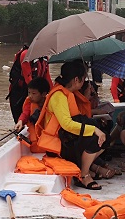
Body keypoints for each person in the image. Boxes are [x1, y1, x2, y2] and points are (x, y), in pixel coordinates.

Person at [34, 60, 107, 190]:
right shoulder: (58, 96)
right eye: (83, 79)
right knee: (95, 139)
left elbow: (80, 115)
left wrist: (89, 95)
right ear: (76, 79)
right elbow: (67, 124)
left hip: (66, 138)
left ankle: (87, 167)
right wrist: (94, 129)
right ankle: (83, 175)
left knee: (105, 134)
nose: (84, 82)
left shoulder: (69, 93)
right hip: (58, 145)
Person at [6, 45, 53, 123]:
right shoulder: (25, 55)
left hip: (35, 91)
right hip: (19, 93)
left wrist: (52, 94)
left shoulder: (44, 58)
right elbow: (28, 79)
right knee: (19, 120)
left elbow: (47, 77)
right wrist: (36, 95)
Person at [13, 76, 50, 152]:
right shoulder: (30, 102)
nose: (30, 96)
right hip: (36, 135)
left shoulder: (51, 103)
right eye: (29, 93)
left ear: (43, 94)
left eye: (34, 93)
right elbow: (25, 113)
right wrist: (20, 121)